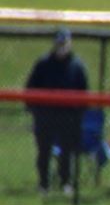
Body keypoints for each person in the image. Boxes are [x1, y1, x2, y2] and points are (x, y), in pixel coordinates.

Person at [25, 26, 88, 196]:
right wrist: (35, 110)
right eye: (59, 43)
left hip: (68, 116)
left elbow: (84, 91)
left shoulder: (76, 65)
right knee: (44, 151)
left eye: (65, 43)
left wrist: (79, 113)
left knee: (66, 152)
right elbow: (31, 88)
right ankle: (43, 184)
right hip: (46, 116)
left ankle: (65, 182)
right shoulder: (43, 64)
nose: (62, 47)